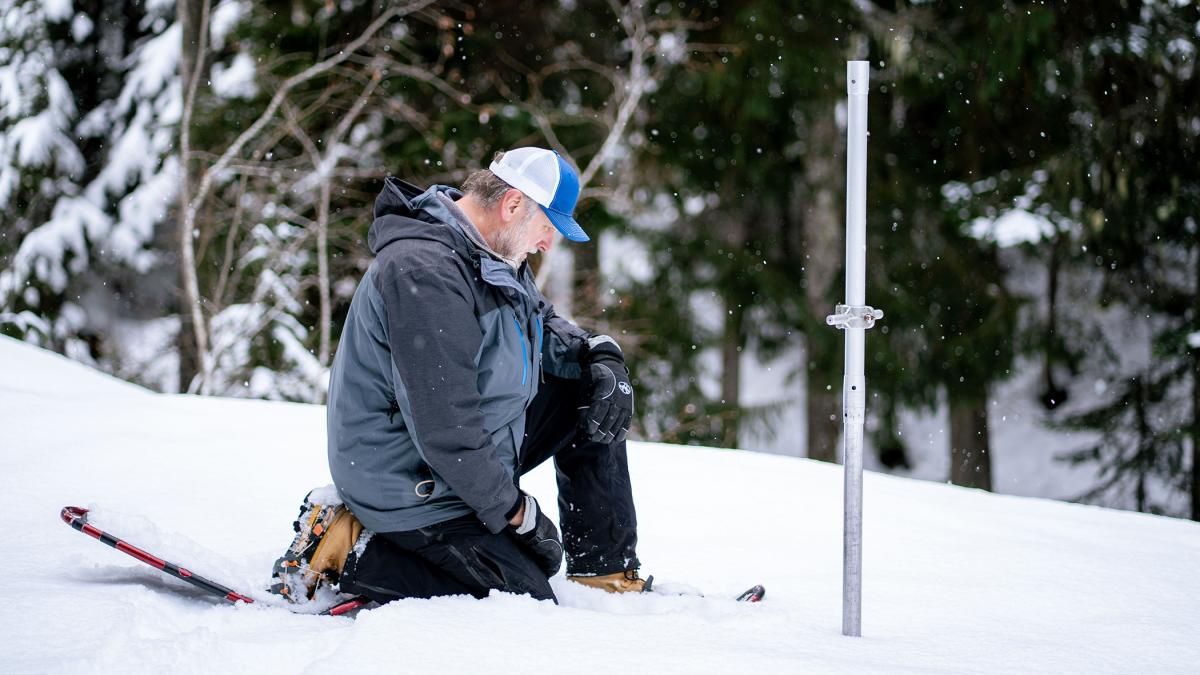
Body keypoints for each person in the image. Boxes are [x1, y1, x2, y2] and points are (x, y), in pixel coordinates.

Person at [269, 147, 645, 606]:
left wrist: (598, 353)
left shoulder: (489, 252)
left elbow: (540, 323)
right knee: (524, 597)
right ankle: (347, 544)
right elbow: (446, 428)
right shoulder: (424, 271)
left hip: (451, 448)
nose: (548, 243)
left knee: (593, 390)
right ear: (511, 205)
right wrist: (516, 512)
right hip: (403, 471)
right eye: (548, 227)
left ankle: (602, 573)